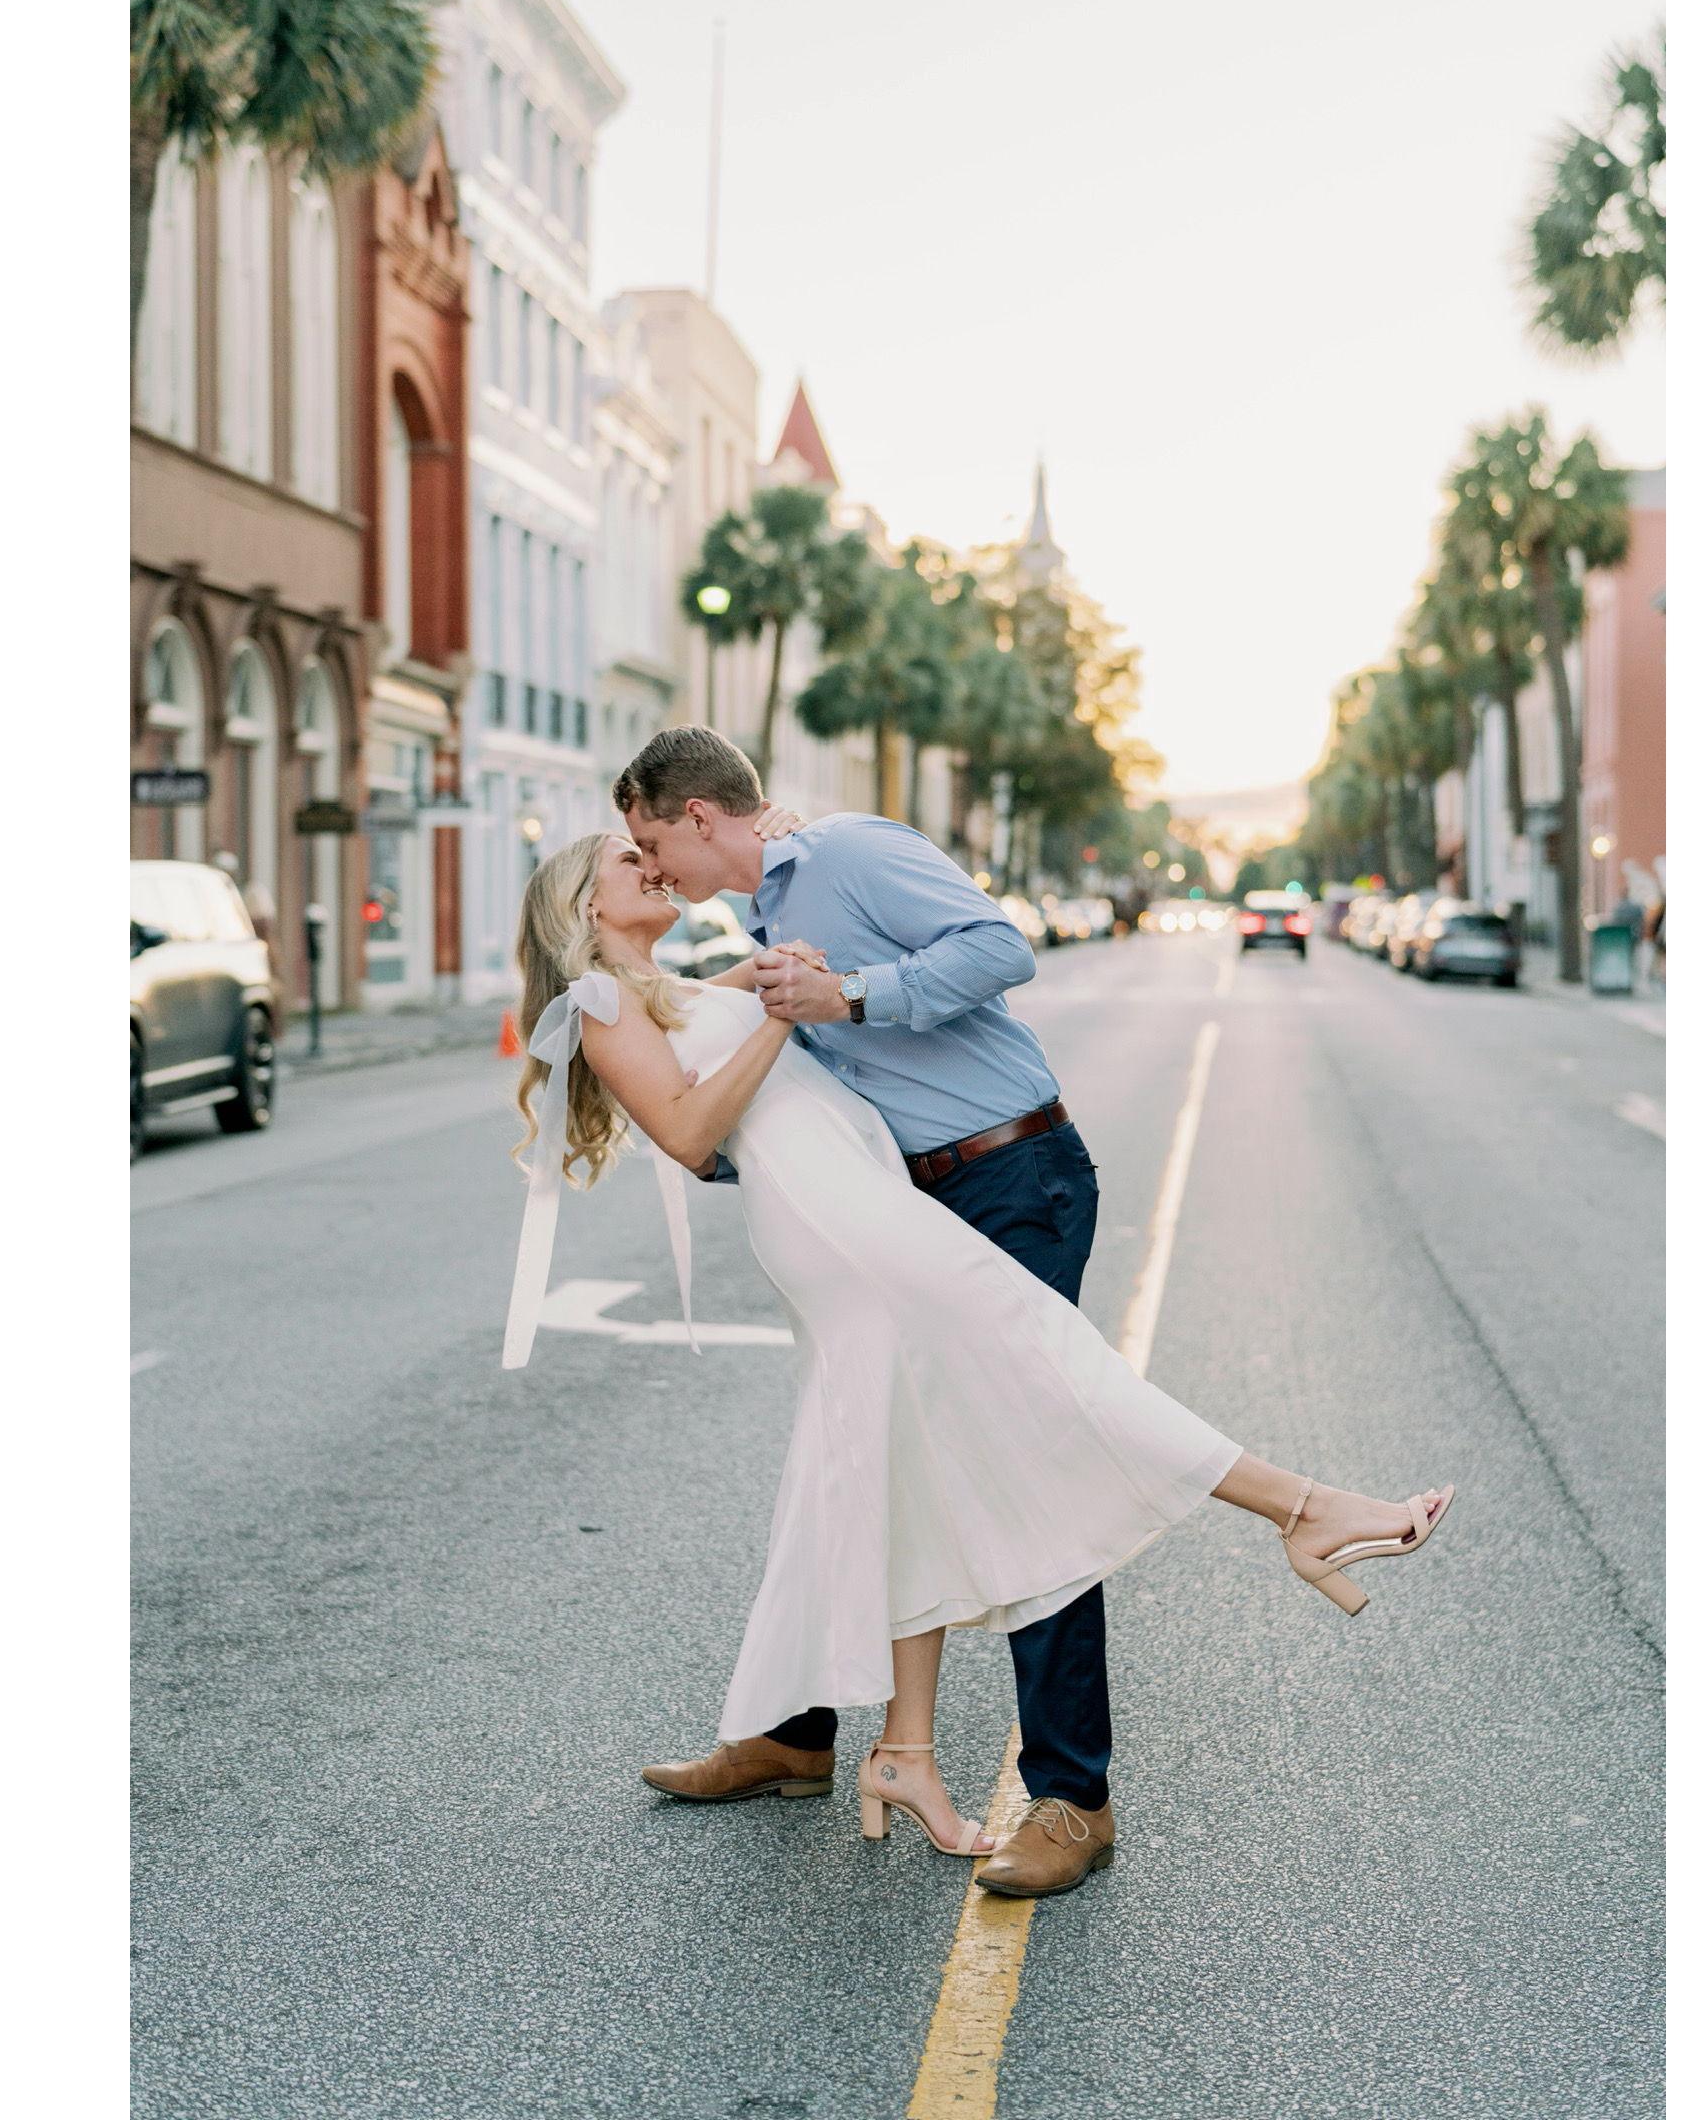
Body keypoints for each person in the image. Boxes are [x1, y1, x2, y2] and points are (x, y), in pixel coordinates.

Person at [501, 727, 1453, 1897]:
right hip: (895, 1205)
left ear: (698, 817)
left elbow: (999, 949)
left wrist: (844, 996)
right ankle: (801, 1732)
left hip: (1008, 1172)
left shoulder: (846, 855)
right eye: (629, 861)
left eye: (649, 843)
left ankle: (1073, 1794)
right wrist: (795, 1042)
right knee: (860, 1458)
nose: (650, 866)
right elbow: (732, 1111)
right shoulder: (744, 925)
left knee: (1039, 1430)